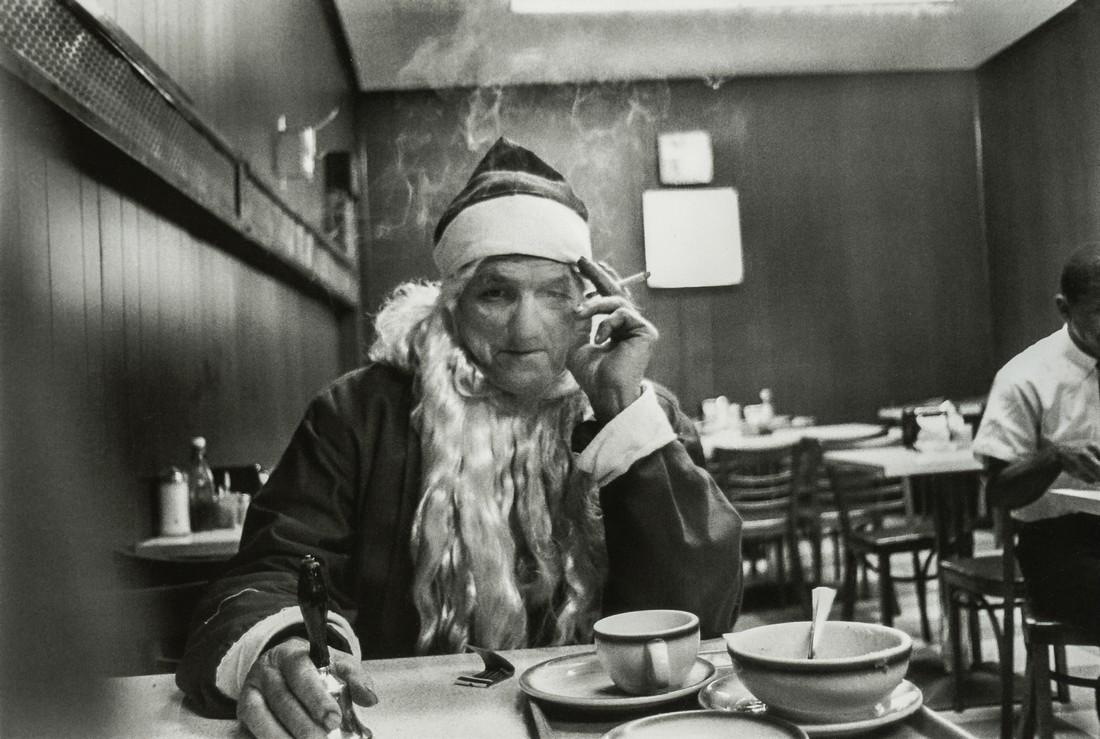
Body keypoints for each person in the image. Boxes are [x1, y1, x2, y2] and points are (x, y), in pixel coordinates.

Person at [176, 137, 744, 737]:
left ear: (588, 301)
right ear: (452, 302)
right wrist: (288, 642)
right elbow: (278, 569)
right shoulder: (359, 414)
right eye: (496, 293)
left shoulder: (641, 415)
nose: (526, 328)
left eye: (553, 293)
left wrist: (622, 418)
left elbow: (701, 618)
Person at [973, 245, 1100, 648]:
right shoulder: (1025, 377)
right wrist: (1055, 457)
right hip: (1059, 544)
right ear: (1064, 309)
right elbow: (998, 492)